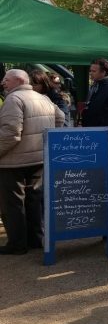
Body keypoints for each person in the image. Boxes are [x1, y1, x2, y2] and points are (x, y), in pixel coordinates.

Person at [0, 69, 65, 255]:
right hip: (38, 159)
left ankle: (17, 244)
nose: (3, 82)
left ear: (18, 80)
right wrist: (42, 142)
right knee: (34, 201)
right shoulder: (42, 98)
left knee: (12, 203)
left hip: (13, 161)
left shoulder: (13, 100)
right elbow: (60, 119)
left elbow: (11, 134)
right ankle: (35, 239)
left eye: (6, 79)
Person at [81, 57, 108, 128]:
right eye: (90, 71)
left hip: (104, 132)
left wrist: (103, 127)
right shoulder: (93, 87)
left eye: (94, 71)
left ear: (103, 72)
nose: (91, 73)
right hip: (91, 130)